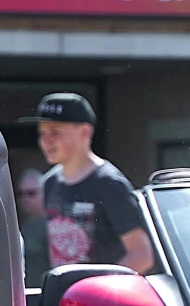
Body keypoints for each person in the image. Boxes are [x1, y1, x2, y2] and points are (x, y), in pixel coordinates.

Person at [35, 92, 154, 273]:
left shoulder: (109, 183)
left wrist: (101, 291)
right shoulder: (50, 183)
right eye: (42, 132)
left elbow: (142, 254)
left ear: (85, 132)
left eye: (55, 132)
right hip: (64, 297)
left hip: (101, 299)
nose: (46, 140)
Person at [15, 167, 49, 286]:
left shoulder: (52, 226)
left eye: (31, 193)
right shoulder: (24, 225)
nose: (25, 199)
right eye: (21, 194)